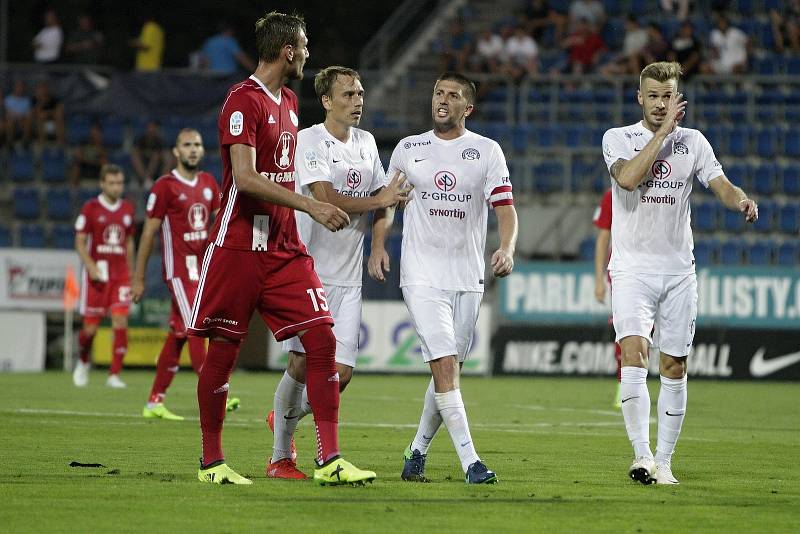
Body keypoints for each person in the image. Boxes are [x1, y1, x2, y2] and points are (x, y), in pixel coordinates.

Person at [188, 11, 375, 486]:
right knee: (224, 350)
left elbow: (282, 173)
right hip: (238, 246)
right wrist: (311, 206)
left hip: (283, 248)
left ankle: (329, 459)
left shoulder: (290, 101)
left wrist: (306, 208)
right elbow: (247, 180)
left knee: (322, 341)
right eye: (305, 46)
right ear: (288, 50)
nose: (309, 54)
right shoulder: (240, 102)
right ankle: (212, 462)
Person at [601, 61, 758, 485]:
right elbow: (630, 180)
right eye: (652, 96)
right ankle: (641, 456)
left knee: (674, 365)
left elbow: (721, 183)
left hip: (677, 272)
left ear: (678, 97)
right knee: (633, 355)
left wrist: (740, 199)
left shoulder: (694, 143)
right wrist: (662, 134)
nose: (660, 103)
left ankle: (665, 464)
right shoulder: (618, 139)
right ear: (640, 98)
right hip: (632, 269)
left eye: (668, 96)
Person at [372, 72, 518, 484]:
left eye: (453, 95)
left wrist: (506, 248)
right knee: (444, 366)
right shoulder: (409, 148)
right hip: (421, 274)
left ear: (467, 108)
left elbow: (506, 208)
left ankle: (416, 451)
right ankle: (471, 462)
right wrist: (379, 245)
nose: (442, 99)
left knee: (448, 371)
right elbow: (387, 204)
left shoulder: (487, 151)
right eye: (438, 92)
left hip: (468, 277)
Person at [266, 66, 410, 480]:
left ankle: (285, 415)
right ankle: (281, 458)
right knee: (300, 362)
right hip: (308, 270)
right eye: (347, 94)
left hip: (348, 276)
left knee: (341, 373)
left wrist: (379, 245)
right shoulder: (308, 140)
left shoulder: (366, 142)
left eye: (360, 93)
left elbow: (385, 202)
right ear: (327, 101)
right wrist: (380, 197)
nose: (358, 100)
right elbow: (326, 199)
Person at [132, 128, 240, 420]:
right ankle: (216, 390)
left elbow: (221, 225)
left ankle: (154, 402)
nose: (193, 149)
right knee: (197, 326)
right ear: (176, 152)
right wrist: (138, 277)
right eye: (187, 145)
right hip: (179, 271)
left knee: (178, 333)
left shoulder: (208, 183)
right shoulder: (164, 186)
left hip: (203, 269)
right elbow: (149, 233)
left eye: (197, 145)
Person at [72, 164, 136, 389]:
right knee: (90, 329)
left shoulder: (128, 209)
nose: (116, 187)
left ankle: (114, 375)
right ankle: (83, 361)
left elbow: (128, 242)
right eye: (112, 183)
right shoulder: (90, 208)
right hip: (97, 276)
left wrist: (133, 273)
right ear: (102, 184)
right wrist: (89, 266)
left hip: (120, 276)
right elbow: (80, 241)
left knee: (120, 321)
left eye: (119, 183)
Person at [592, 188, 622, 408]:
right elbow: (603, 236)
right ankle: (624, 386)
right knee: (625, 329)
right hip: (621, 269)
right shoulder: (612, 195)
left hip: (658, 267)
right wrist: (599, 278)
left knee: (652, 331)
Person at [131, 120, 169, 187]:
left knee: (156, 156)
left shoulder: (159, 141)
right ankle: (145, 180)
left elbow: (162, 153)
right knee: (135, 156)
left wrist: (152, 154)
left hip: (157, 165)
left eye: (153, 128)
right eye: (149, 128)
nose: (151, 130)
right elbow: (136, 150)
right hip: (143, 163)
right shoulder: (141, 139)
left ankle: (154, 180)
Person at [32, 80, 65, 146]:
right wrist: (40, 100)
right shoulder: (34, 100)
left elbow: (59, 111)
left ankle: (60, 143)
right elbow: (36, 113)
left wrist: (47, 113)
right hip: (39, 122)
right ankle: (42, 143)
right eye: (41, 89)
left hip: (53, 121)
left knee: (59, 117)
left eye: (44, 89)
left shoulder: (54, 100)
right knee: (40, 118)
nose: (43, 91)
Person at [3, 80, 32, 147]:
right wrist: (16, 117)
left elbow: (28, 113)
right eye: (18, 87)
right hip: (11, 119)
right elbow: (6, 112)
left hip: (23, 119)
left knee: (27, 121)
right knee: (10, 120)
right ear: (14, 88)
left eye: (22, 87)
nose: (20, 89)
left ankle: (25, 142)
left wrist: (21, 118)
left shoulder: (27, 100)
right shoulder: (8, 99)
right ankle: (9, 143)